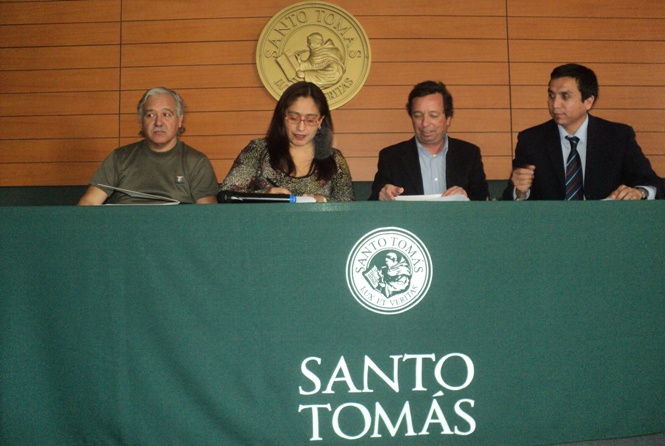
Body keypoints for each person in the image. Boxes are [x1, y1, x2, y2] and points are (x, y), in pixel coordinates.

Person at [502, 63, 663, 201]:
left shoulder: (618, 137)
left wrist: (639, 192)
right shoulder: (531, 140)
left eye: (565, 96)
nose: (555, 104)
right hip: (550, 229)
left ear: (588, 101)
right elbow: (511, 198)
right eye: (551, 96)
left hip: (605, 227)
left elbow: (653, 184)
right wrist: (520, 191)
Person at [78, 87, 219, 205]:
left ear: (180, 120)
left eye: (166, 114)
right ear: (141, 122)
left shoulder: (196, 162)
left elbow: (208, 215)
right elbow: (89, 203)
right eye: (150, 115)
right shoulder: (119, 158)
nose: (158, 122)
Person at [219, 81, 355, 202]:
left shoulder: (334, 159)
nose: (301, 127)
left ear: (320, 121)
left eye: (310, 120)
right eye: (294, 118)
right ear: (283, 116)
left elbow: (348, 203)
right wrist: (266, 195)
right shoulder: (258, 150)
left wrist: (323, 200)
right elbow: (226, 194)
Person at [369, 80, 489, 201]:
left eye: (433, 115)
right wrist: (382, 196)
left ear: (448, 118)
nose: (425, 123)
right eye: (418, 116)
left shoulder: (469, 154)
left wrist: (465, 197)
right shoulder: (391, 157)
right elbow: (372, 203)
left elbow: (483, 198)